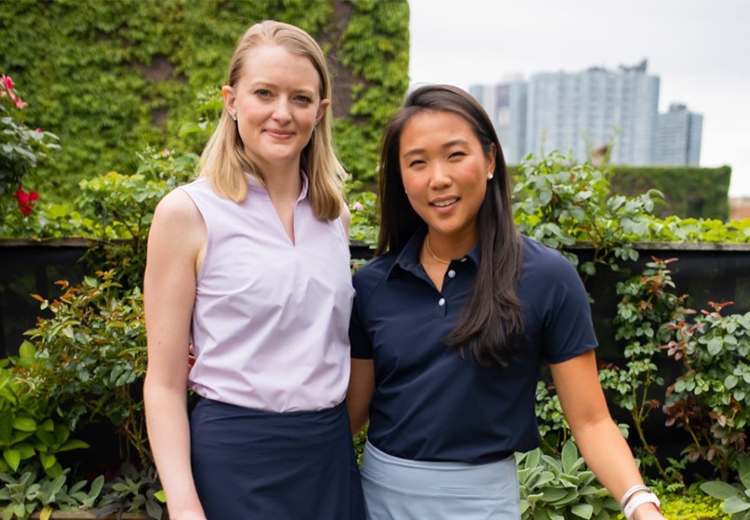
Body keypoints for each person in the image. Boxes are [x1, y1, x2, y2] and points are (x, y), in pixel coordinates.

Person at [346, 84, 667, 520]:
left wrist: (640, 504)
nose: (438, 177)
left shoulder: (547, 278)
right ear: (402, 179)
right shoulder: (372, 285)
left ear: (490, 160)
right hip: (379, 501)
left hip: (484, 505)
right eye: (417, 163)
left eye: (455, 155)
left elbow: (591, 421)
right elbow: (350, 417)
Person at [143, 20, 364, 520]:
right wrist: (183, 505)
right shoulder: (186, 214)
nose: (282, 114)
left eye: (301, 99)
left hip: (327, 461)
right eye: (264, 93)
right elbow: (162, 384)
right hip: (232, 464)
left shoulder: (335, 218)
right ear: (232, 100)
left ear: (321, 111)